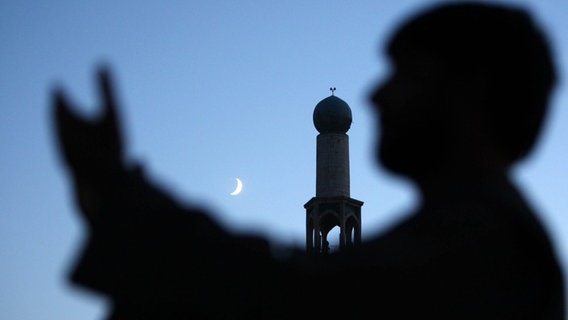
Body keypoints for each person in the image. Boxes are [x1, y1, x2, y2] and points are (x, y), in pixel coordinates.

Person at [53, 2, 565, 319]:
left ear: (469, 92)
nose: (376, 96)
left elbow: (291, 295)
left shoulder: (486, 247)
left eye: (408, 76)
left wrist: (120, 194)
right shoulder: (475, 237)